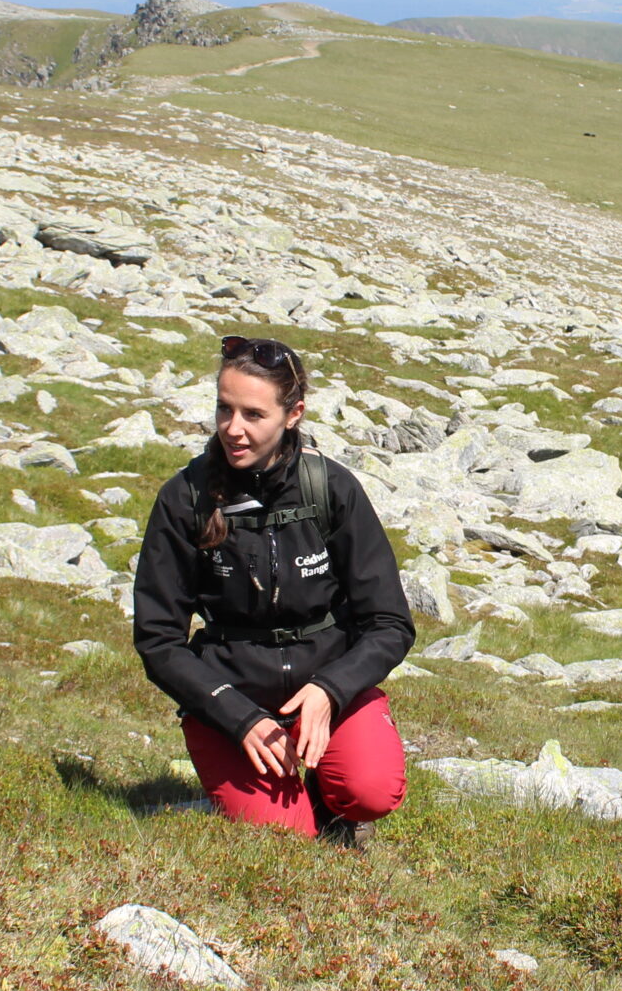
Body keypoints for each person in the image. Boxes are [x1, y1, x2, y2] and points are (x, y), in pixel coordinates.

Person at [131, 335, 414, 842]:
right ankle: (273, 800)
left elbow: (390, 623)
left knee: (371, 791)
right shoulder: (184, 498)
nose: (232, 429)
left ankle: (332, 793)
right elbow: (158, 639)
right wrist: (236, 717)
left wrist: (331, 689)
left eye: (253, 415)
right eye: (224, 408)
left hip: (329, 687)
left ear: (293, 414)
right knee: (287, 835)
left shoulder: (330, 489)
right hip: (231, 699)